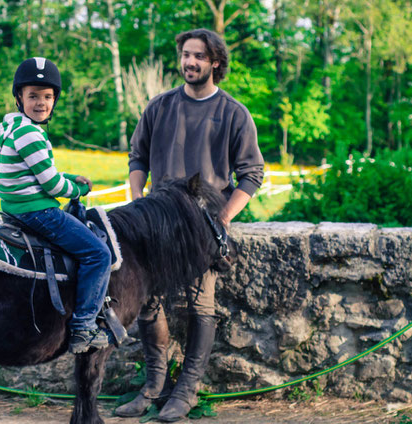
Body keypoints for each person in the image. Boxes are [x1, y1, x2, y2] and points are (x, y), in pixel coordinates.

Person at [114, 29, 264, 422]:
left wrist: (222, 219)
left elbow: (252, 174)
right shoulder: (160, 106)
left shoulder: (234, 113)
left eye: (198, 56)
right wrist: (139, 205)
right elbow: (137, 157)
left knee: (200, 306)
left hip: (201, 228)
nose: (189, 63)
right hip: (155, 225)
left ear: (215, 62)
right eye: (185, 55)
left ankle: (188, 390)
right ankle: (153, 386)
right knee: (148, 304)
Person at [0, 57, 112, 354]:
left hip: (16, 206)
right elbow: (52, 186)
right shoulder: (31, 133)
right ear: (19, 97)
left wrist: (69, 177)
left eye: (47, 97)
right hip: (37, 211)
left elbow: (39, 170)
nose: (41, 103)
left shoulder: (14, 127)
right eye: (33, 95)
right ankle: (84, 326)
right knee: (98, 254)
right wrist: (78, 189)